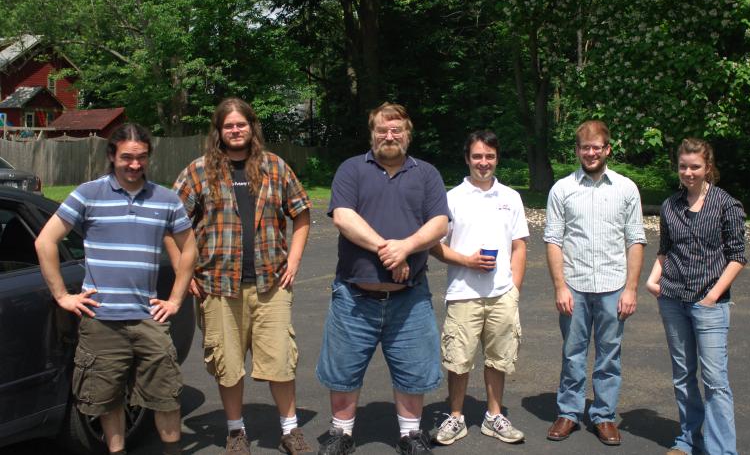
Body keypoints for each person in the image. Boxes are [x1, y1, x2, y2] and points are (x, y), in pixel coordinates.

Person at [34, 123, 198, 455]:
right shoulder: (88, 194)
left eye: (141, 158)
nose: (134, 165)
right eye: (126, 157)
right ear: (112, 155)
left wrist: (176, 299)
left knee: (166, 395)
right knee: (108, 398)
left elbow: (190, 248)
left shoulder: (165, 199)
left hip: (148, 319)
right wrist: (62, 296)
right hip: (102, 320)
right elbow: (45, 241)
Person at [172, 97, 313, 455]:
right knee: (228, 365)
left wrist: (293, 261)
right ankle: (236, 431)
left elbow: (301, 214)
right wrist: (182, 272)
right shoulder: (199, 171)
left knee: (281, 360)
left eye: (242, 124)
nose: (236, 131)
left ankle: (289, 430)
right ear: (218, 131)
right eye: (229, 126)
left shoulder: (274, 167)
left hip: (270, 285)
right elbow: (171, 224)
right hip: (217, 287)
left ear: (252, 127)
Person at [316, 102, 450, 455]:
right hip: (354, 296)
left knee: (413, 367)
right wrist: (388, 250)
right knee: (343, 368)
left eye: (396, 130)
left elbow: (440, 223)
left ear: (408, 134)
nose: (389, 136)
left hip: (410, 297)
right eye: (382, 130)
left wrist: (406, 247)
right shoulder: (351, 170)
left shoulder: (427, 174)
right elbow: (343, 217)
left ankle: (410, 434)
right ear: (372, 133)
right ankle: (341, 433)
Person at [543, 120, 646, 446]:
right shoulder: (562, 189)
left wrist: (631, 288)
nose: (590, 153)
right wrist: (560, 286)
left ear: (607, 149)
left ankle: (603, 415)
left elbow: (635, 240)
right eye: (584, 148)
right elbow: (553, 241)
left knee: (609, 355)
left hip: (614, 285)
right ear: (577, 151)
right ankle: (569, 413)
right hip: (574, 284)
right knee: (572, 353)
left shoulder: (626, 189)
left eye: (596, 147)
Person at [645, 138, 746, 455]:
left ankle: (721, 450)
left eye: (695, 166)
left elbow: (737, 256)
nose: (688, 172)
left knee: (715, 380)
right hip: (672, 299)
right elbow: (665, 250)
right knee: (683, 376)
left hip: (708, 303)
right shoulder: (670, 205)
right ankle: (689, 439)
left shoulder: (726, 205)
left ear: (708, 168)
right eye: (683, 166)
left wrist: (713, 296)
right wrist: (652, 280)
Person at [430, 130, 529, 446]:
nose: (483, 162)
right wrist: (466, 261)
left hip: (501, 294)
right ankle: (456, 417)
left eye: (489, 156)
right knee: (458, 360)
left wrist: (514, 289)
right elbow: (435, 245)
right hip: (463, 293)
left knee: (499, 359)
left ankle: (494, 416)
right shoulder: (451, 198)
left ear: (497, 158)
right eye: (477, 156)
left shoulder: (510, 197)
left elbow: (519, 246)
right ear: (467, 158)